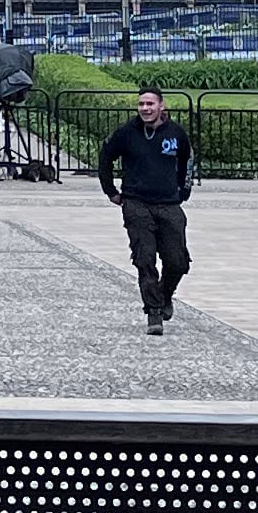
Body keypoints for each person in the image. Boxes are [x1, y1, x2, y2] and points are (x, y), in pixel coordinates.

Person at [93, 84, 197, 336]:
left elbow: (187, 159)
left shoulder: (175, 133)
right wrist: (111, 191)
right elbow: (105, 156)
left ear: (162, 106)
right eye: (141, 104)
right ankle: (153, 310)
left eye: (150, 104)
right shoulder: (127, 133)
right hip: (136, 202)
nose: (145, 108)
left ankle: (164, 294)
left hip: (169, 202)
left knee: (178, 260)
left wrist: (184, 190)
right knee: (145, 257)